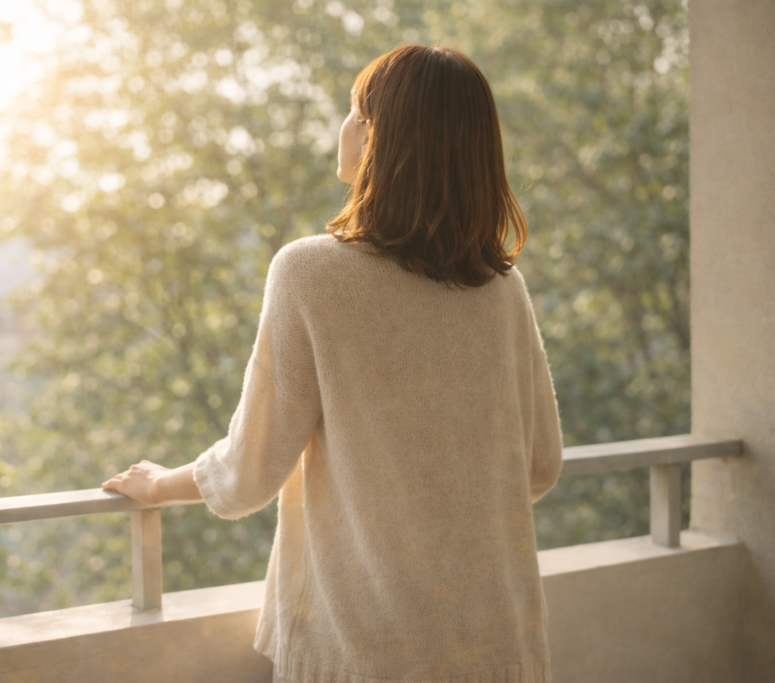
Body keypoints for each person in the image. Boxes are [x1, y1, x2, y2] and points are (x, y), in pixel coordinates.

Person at [103, 44, 563, 683]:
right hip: (495, 641)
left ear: (378, 135)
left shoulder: (309, 271)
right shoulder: (500, 286)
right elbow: (538, 464)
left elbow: (249, 470)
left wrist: (156, 486)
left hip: (363, 647)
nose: (346, 125)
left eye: (356, 110)